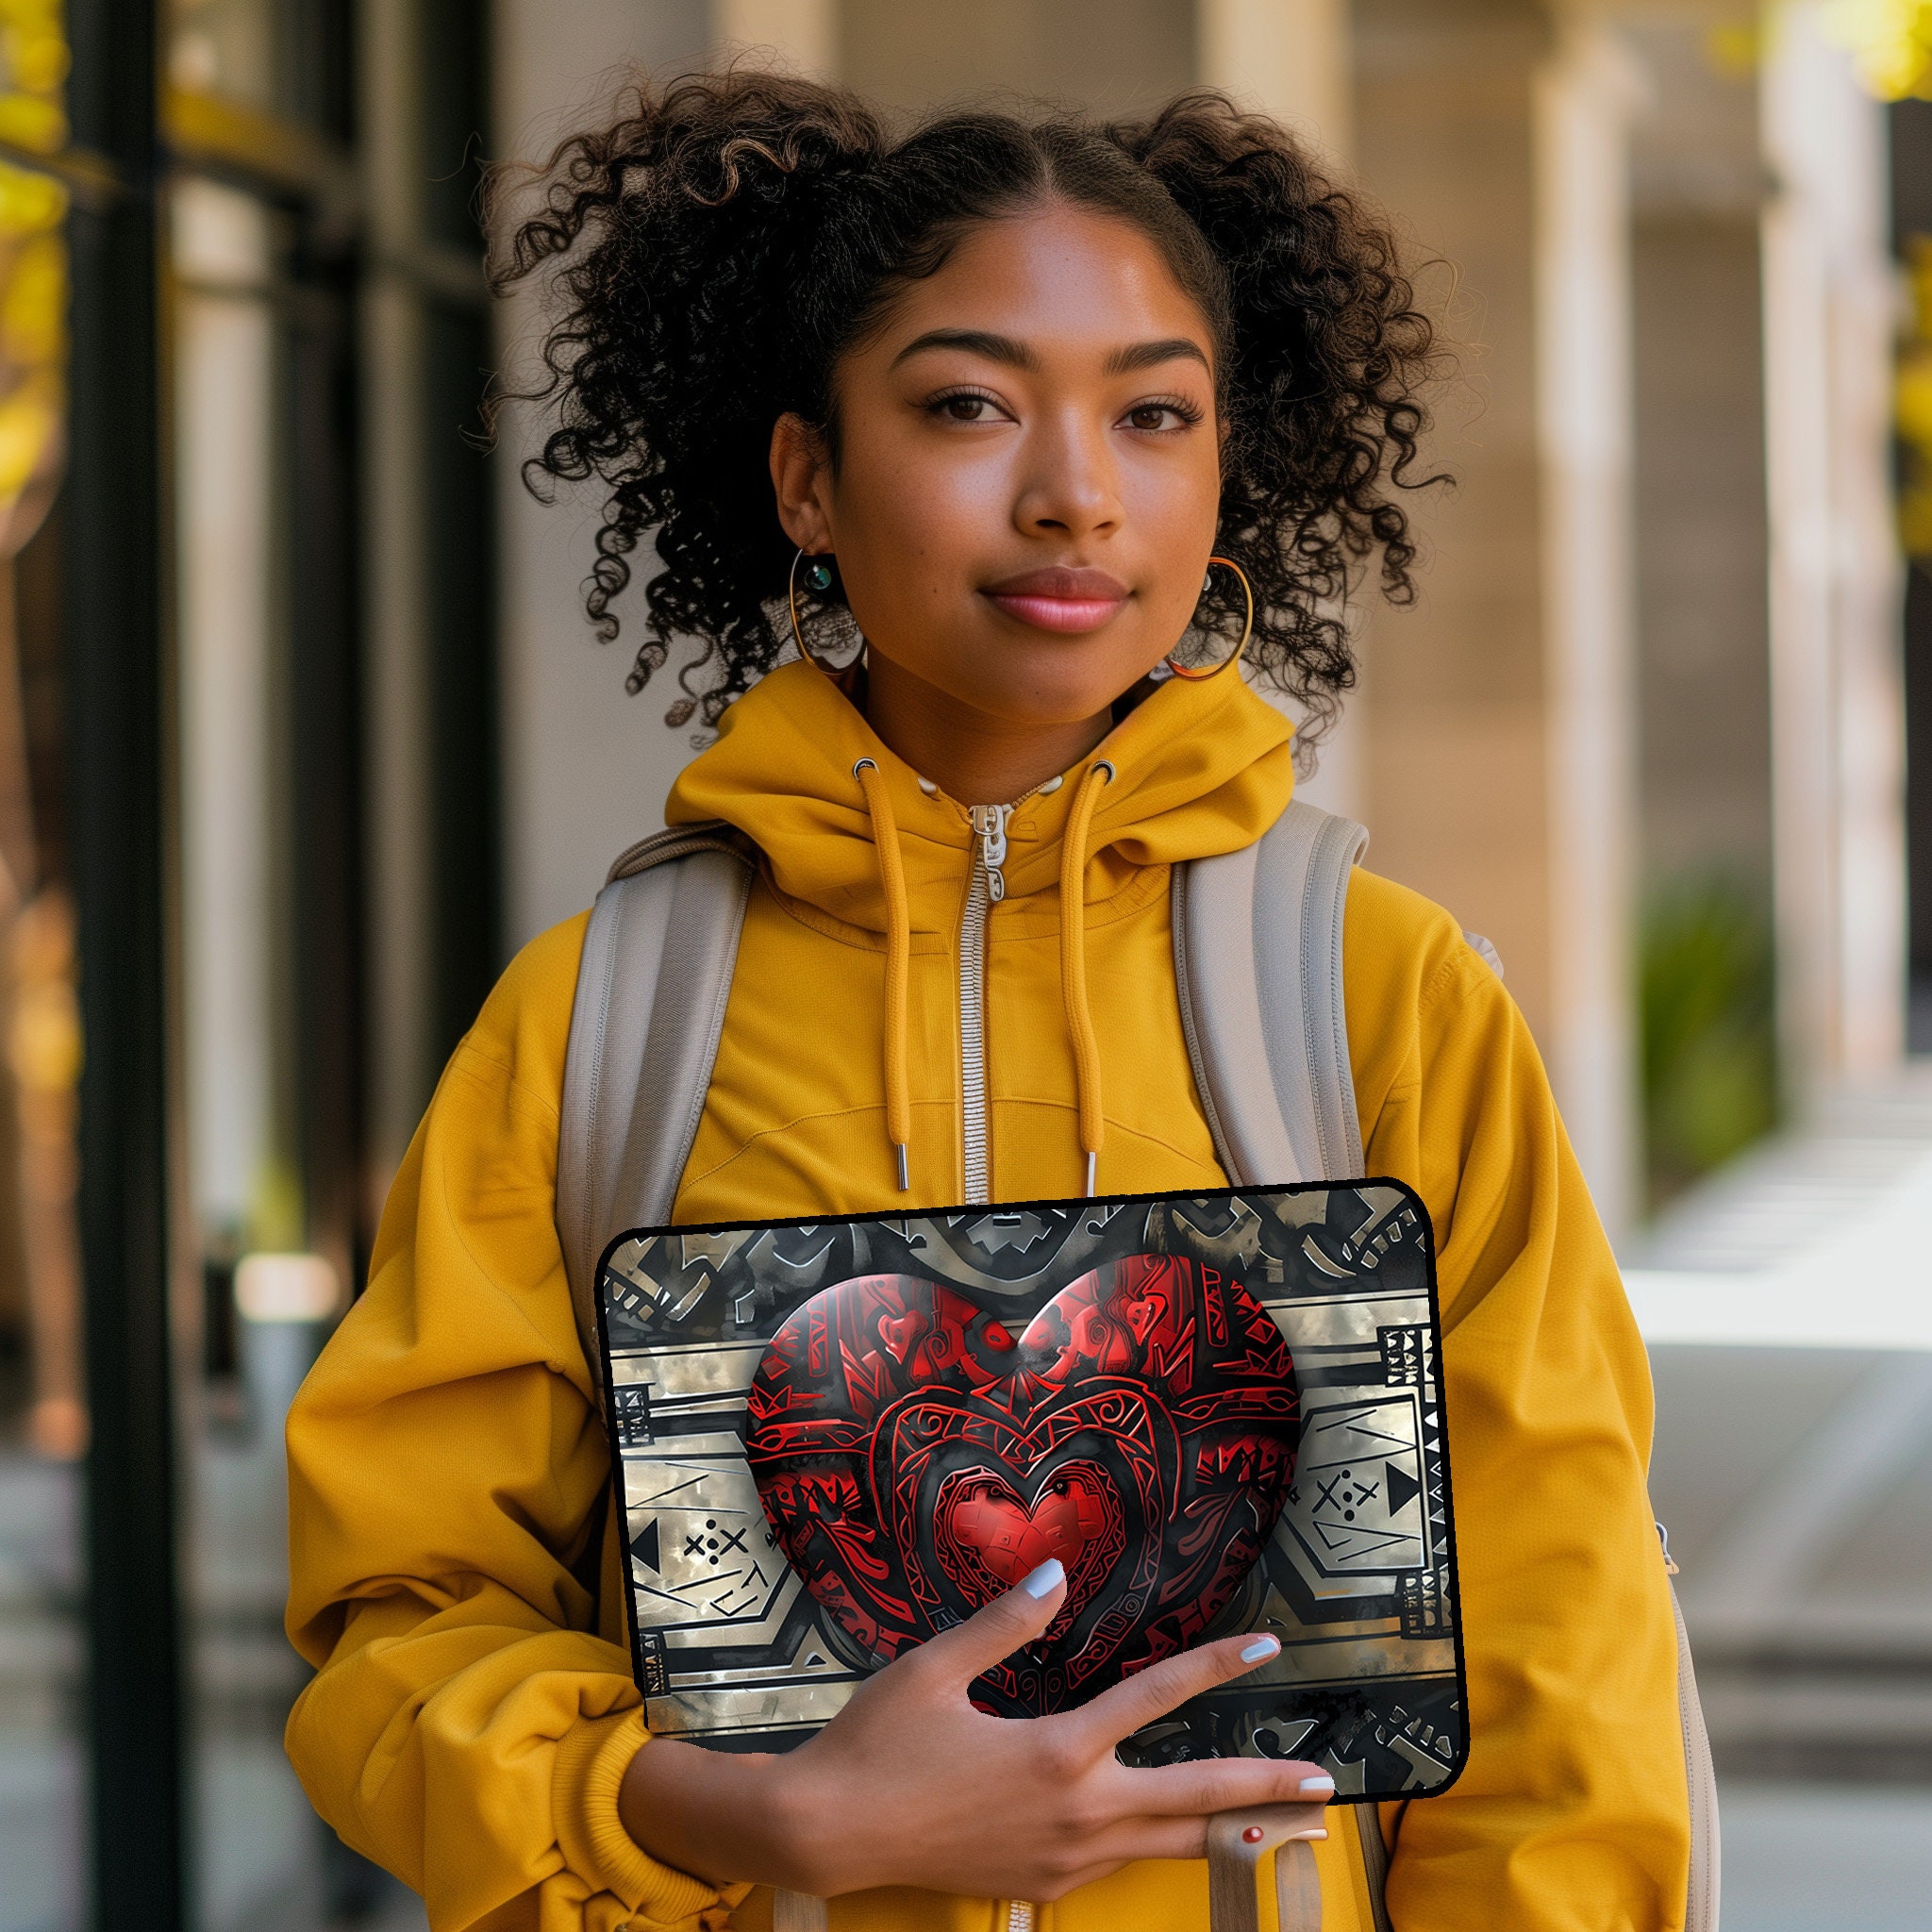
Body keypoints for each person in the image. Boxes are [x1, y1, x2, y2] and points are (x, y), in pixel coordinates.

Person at [283, 71, 1689, 1932]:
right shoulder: (601, 1022)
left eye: (1153, 413)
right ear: (806, 476)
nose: (1075, 493)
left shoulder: (1378, 995)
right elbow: (400, 1625)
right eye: (967, 405)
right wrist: (734, 1815)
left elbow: (1562, 1669)